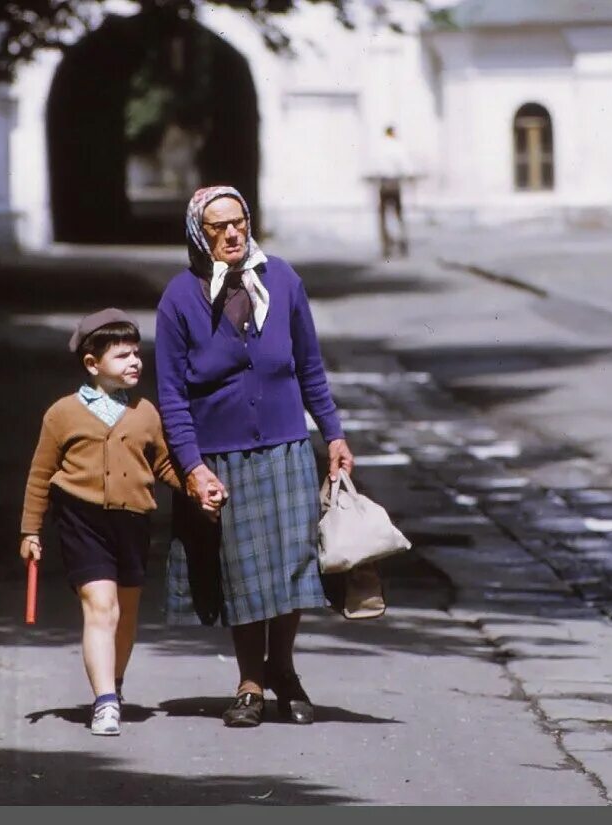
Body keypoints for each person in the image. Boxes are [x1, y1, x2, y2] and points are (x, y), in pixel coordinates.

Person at [155, 185, 355, 728]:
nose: (232, 233)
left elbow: (309, 366)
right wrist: (193, 467)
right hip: (222, 455)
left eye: (239, 222)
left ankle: (282, 670)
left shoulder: (282, 279)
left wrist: (333, 435)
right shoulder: (179, 297)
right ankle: (249, 682)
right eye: (218, 227)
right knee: (242, 575)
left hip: (287, 446)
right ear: (201, 233)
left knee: (291, 568)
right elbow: (172, 394)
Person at [18, 308, 219, 736]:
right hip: (81, 519)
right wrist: (31, 530)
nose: (135, 362)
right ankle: (105, 701)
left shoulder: (146, 413)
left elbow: (165, 464)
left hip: (133, 523)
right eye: (123, 356)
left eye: (137, 354)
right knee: (101, 608)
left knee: (125, 614)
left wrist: (197, 486)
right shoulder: (62, 414)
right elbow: (40, 474)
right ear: (92, 364)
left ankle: (116, 683)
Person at [370, 124, 412, 258]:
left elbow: (375, 164)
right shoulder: (397, 146)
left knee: (383, 216)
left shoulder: (380, 146)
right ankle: (402, 241)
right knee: (398, 214)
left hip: (383, 183)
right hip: (395, 183)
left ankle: (386, 244)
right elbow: (405, 164)